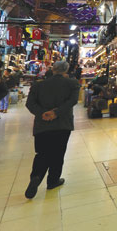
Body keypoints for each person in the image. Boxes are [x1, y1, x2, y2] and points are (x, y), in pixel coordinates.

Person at [24, 60, 79, 198]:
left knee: (42, 153)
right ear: (66, 70)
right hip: (62, 124)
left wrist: (42, 113)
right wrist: (56, 113)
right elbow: (72, 101)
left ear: (52, 69)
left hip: (42, 125)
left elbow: (30, 103)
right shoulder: (72, 84)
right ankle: (53, 180)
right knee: (58, 153)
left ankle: (36, 177)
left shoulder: (38, 85)